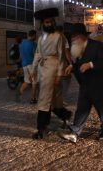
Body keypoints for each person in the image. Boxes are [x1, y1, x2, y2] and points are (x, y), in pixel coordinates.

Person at [61, 23, 103, 143]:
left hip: (100, 84)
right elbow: (79, 64)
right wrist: (72, 67)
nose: (73, 40)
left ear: (82, 37)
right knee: (82, 108)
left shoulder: (97, 45)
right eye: (72, 38)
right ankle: (75, 133)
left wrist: (91, 64)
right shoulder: (77, 49)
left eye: (74, 37)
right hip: (86, 84)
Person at [30, 8, 72, 139]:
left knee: (44, 100)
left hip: (52, 69)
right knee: (53, 101)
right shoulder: (41, 37)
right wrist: (33, 69)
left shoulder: (58, 36)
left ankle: (41, 128)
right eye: (46, 22)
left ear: (53, 22)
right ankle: (66, 116)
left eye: (50, 22)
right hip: (44, 69)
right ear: (43, 23)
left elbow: (61, 56)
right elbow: (37, 54)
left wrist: (59, 74)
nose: (49, 24)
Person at [19, 29, 38, 104]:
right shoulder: (33, 44)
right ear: (33, 35)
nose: (36, 37)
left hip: (24, 64)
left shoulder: (22, 43)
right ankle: (33, 99)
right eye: (35, 36)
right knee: (34, 82)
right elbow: (35, 55)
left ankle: (19, 94)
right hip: (31, 65)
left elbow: (21, 55)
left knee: (27, 81)